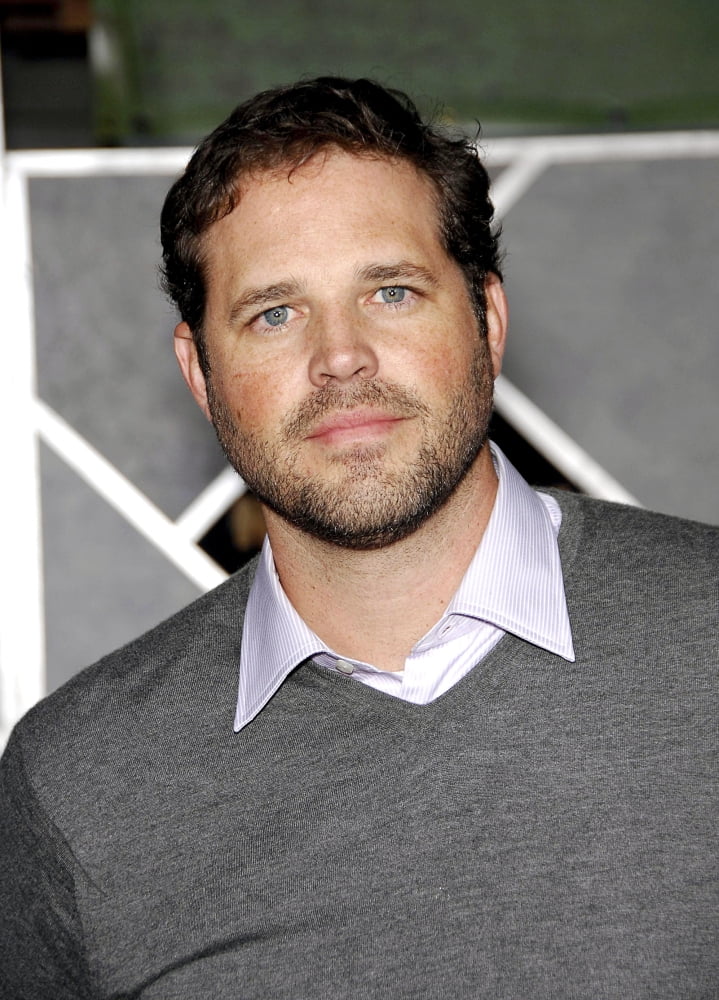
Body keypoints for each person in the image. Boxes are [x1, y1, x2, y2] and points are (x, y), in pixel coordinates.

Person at [0, 77, 716, 1000]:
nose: (340, 355)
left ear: (486, 321)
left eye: (390, 291)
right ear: (200, 371)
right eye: (274, 313)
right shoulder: (77, 787)